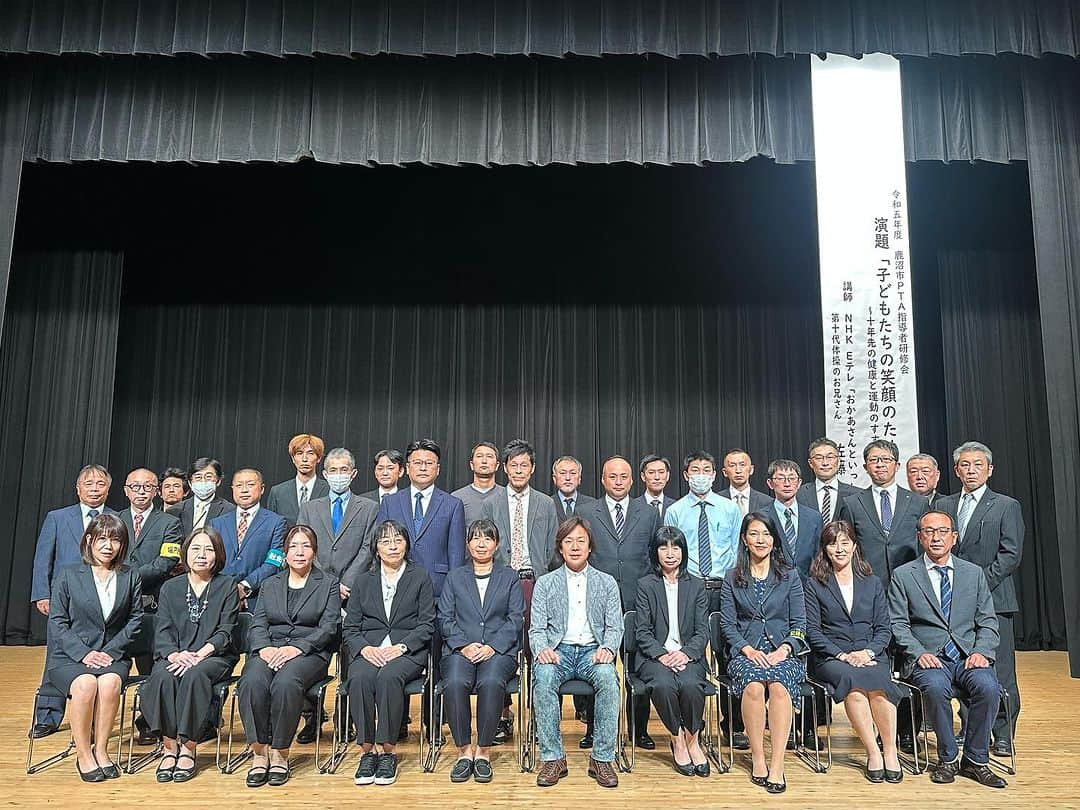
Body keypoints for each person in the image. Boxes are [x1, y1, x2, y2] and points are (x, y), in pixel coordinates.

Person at [888, 511, 1007, 788]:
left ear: (953, 537)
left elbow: (988, 622)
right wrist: (918, 653)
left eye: (942, 531)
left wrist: (982, 651)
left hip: (968, 657)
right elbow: (898, 624)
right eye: (929, 532)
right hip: (929, 660)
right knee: (935, 688)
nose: (936, 537)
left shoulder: (973, 574)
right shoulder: (904, 575)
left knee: (989, 688)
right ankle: (948, 758)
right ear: (920, 538)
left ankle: (976, 761)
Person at [937, 441, 1023, 756]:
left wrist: (975, 585)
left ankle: (1003, 733)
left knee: (998, 670)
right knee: (963, 666)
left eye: (977, 465)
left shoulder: (1005, 505)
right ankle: (971, 728)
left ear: (989, 469)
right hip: (951, 604)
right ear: (956, 470)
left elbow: (1010, 554)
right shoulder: (944, 505)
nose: (971, 470)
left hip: (994, 600)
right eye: (965, 465)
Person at [239, 525, 341, 788]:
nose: (299, 552)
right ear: (285, 553)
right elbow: (258, 622)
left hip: (309, 652)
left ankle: (280, 752)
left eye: (306, 546)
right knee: (251, 680)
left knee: (285, 682)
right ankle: (259, 752)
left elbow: (329, 627)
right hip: (270, 648)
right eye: (294, 546)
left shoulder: (328, 583)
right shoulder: (270, 583)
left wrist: (297, 648)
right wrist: (264, 648)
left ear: (314, 552)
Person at [45, 514, 144, 782]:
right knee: (86, 684)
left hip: (113, 654)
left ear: (122, 545)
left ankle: (101, 750)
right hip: (70, 657)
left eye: (115, 540)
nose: (108, 546)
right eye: (102, 538)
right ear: (89, 540)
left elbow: (136, 619)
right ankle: (83, 754)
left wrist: (110, 652)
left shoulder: (130, 575)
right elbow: (58, 622)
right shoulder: (68, 575)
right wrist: (85, 653)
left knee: (110, 683)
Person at [140, 526, 240, 783]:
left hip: (214, 656)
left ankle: (188, 748)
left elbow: (226, 630)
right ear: (185, 554)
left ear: (218, 555)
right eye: (195, 548)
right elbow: (162, 629)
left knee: (196, 676)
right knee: (162, 676)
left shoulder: (227, 585)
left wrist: (201, 654)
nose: (202, 555)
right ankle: (169, 747)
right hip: (176, 655)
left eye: (209, 549)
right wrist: (174, 654)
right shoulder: (171, 587)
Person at [804, 521, 901, 783]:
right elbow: (813, 631)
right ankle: (873, 753)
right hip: (832, 657)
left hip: (870, 653)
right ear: (824, 549)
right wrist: (842, 655)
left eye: (845, 542)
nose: (839, 548)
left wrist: (868, 652)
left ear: (855, 546)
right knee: (855, 689)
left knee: (880, 689)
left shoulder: (872, 582)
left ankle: (890, 751)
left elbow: (884, 628)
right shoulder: (815, 585)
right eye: (833, 543)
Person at [530, 517, 624, 789]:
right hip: (557, 652)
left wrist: (607, 648)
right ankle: (553, 758)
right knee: (543, 678)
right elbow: (536, 628)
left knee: (608, 679)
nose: (574, 546)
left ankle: (602, 759)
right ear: (560, 548)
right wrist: (542, 649)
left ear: (590, 547)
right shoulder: (545, 583)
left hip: (591, 653)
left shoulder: (606, 583)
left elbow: (614, 626)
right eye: (568, 541)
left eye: (580, 541)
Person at [719, 511, 807, 794]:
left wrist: (785, 649)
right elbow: (727, 625)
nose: (761, 540)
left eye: (766, 534)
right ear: (744, 539)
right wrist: (746, 648)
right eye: (754, 534)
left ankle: (777, 763)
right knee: (754, 687)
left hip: (782, 653)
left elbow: (800, 624)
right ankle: (758, 757)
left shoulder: (789, 577)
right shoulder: (732, 577)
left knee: (780, 687)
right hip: (746, 653)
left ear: (774, 539)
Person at [579, 456, 661, 750]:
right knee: (596, 663)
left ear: (632, 480)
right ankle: (593, 729)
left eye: (623, 477)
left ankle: (638, 730)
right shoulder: (586, 511)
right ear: (602, 479)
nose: (617, 482)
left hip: (637, 602)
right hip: (597, 601)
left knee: (638, 666)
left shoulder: (649, 513)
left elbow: (655, 558)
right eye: (611, 476)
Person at [345, 520, 435, 787]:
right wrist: (365, 648)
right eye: (385, 541)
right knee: (359, 677)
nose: (393, 546)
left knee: (388, 678)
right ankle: (367, 750)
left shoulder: (419, 577)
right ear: (376, 548)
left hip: (406, 651)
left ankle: (387, 751)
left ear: (407, 545)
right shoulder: (363, 581)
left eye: (398, 540)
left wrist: (401, 647)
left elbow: (426, 623)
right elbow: (351, 626)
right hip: (370, 649)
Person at [480, 438, 559, 742]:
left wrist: (547, 580)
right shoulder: (491, 503)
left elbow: (554, 546)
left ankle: (541, 715)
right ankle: (503, 714)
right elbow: (485, 545)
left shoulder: (544, 503)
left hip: (536, 582)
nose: (519, 470)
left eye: (524, 465)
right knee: (502, 646)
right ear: (504, 468)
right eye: (513, 465)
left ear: (533, 468)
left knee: (538, 648)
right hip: (502, 582)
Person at [30, 464, 117, 736]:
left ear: (108, 488)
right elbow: (43, 558)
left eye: (100, 483)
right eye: (88, 483)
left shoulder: (117, 518)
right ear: (77, 488)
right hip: (64, 599)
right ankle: (47, 715)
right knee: (57, 655)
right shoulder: (57, 517)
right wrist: (42, 593)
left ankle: (91, 715)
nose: (94, 488)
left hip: (104, 598)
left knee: (98, 655)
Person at [438, 519, 525, 783]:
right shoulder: (455, 577)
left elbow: (515, 618)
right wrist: (463, 645)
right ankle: (464, 751)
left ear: (496, 544)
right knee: (454, 682)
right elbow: (445, 617)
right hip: (460, 649)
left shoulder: (509, 577)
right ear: (467, 544)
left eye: (487, 538)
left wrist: (493, 647)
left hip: (498, 651)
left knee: (490, 681)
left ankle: (484, 751)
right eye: (475, 538)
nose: (481, 543)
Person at [633, 526, 711, 777]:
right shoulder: (646, 585)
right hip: (654, 657)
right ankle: (678, 739)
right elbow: (642, 631)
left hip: (689, 655)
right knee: (665, 685)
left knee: (690, 685)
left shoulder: (697, 585)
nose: (669, 553)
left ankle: (693, 740)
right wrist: (664, 655)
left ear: (683, 551)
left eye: (675, 547)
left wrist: (686, 654)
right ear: (655, 552)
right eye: (663, 547)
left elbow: (702, 631)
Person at [377, 439, 466, 600]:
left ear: (437, 469)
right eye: (417, 462)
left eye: (429, 463)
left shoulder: (452, 505)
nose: (423, 468)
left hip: (437, 588)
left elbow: (456, 554)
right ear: (408, 468)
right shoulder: (390, 503)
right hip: (395, 587)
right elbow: (379, 546)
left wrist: (453, 594)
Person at [837, 440, 930, 592]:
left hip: (911, 582)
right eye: (873, 460)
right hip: (866, 582)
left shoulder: (918, 502)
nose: (880, 465)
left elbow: (924, 543)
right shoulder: (852, 503)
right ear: (866, 467)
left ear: (897, 465)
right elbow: (847, 545)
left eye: (886, 459)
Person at [663, 451, 742, 613]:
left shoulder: (730, 508)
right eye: (695, 470)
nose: (701, 475)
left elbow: (737, 547)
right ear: (686, 475)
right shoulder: (674, 511)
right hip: (689, 586)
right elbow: (669, 551)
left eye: (706, 470)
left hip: (724, 586)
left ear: (713, 475)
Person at [297, 447, 379, 600]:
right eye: (333, 470)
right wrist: (325, 583)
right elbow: (303, 545)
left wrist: (348, 582)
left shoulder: (369, 507)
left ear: (353, 474)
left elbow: (368, 547)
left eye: (344, 469)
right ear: (325, 475)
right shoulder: (308, 508)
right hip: (315, 587)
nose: (338, 475)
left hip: (353, 590)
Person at [209, 467, 287, 609]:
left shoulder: (276, 522)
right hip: (219, 596)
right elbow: (211, 560)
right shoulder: (217, 523)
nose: (244, 490)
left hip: (257, 598)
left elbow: (274, 562)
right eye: (239, 485)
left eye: (250, 485)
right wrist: (228, 589)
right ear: (233, 489)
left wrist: (244, 586)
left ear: (262, 489)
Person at [764, 459, 823, 578]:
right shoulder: (762, 517)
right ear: (770, 483)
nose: (787, 484)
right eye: (780, 478)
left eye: (792, 478)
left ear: (799, 482)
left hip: (807, 587)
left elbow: (819, 555)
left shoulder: (814, 517)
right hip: (773, 585)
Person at [265, 434, 329, 528]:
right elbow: (270, 527)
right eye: (299, 453)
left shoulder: (329, 489)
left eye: (310, 453)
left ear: (318, 458)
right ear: (293, 459)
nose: (304, 459)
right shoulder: (278, 492)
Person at [796, 438, 860, 524]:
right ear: (810, 463)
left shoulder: (856, 495)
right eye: (819, 458)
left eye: (830, 457)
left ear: (838, 461)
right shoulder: (799, 493)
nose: (825, 463)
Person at [167, 457, 235, 535]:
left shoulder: (229, 511)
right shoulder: (174, 511)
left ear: (218, 481)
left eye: (208, 477)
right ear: (190, 482)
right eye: (198, 477)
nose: (203, 481)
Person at [451, 442, 503, 525]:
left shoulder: (507, 496)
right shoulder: (456, 498)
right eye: (479, 456)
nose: (484, 461)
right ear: (472, 465)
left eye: (489, 456)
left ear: (497, 465)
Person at [719, 449, 772, 516]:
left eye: (742, 465)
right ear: (725, 472)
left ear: (751, 469)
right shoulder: (716, 500)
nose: (738, 470)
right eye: (732, 465)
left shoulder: (766, 502)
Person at [552, 456, 595, 522]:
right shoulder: (547, 504)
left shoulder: (592, 504)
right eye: (563, 473)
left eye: (573, 473)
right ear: (554, 478)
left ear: (579, 478)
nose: (568, 478)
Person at [634, 454, 675, 519]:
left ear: (667, 475)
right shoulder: (633, 506)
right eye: (651, 472)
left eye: (661, 472)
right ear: (643, 476)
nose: (657, 477)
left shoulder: (675, 506)